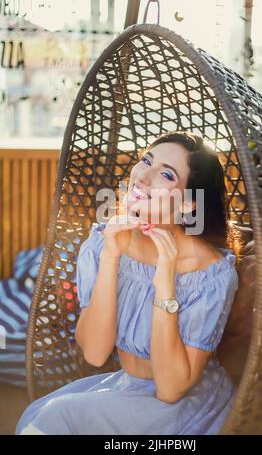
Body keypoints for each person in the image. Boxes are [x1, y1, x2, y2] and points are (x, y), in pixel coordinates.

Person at [16, 131, 240, 435]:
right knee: (37, 417)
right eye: (145, 160)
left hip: (185, 407)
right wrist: (111, 254)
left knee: (55, 419)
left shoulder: (211, 274)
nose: (143, 177)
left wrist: (165, 281)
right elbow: (94, 353)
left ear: (189, 204)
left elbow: (170, 390)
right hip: (125, 387)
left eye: (165, 174)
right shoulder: (104, 241)